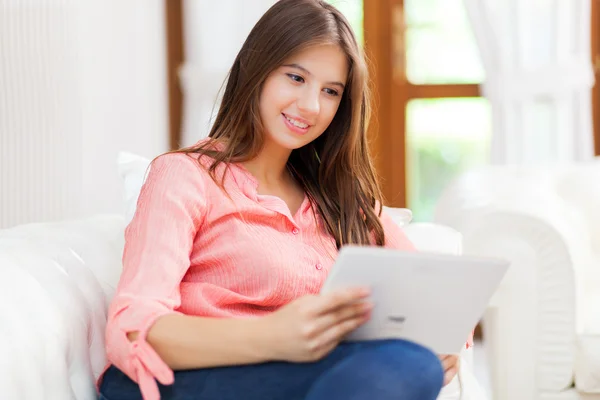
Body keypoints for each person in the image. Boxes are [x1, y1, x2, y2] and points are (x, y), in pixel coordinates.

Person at [98, 1, 466, 399]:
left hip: (313, 380)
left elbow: (431, 294)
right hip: (195, 379)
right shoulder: (186, 176)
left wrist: (441, 342)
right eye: (295, 78)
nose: (310, 106)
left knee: (412, 363)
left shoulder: (338, 197)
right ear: (257, 71)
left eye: (330, 91)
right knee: (399, 368)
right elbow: (134, 326)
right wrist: (275, 336)